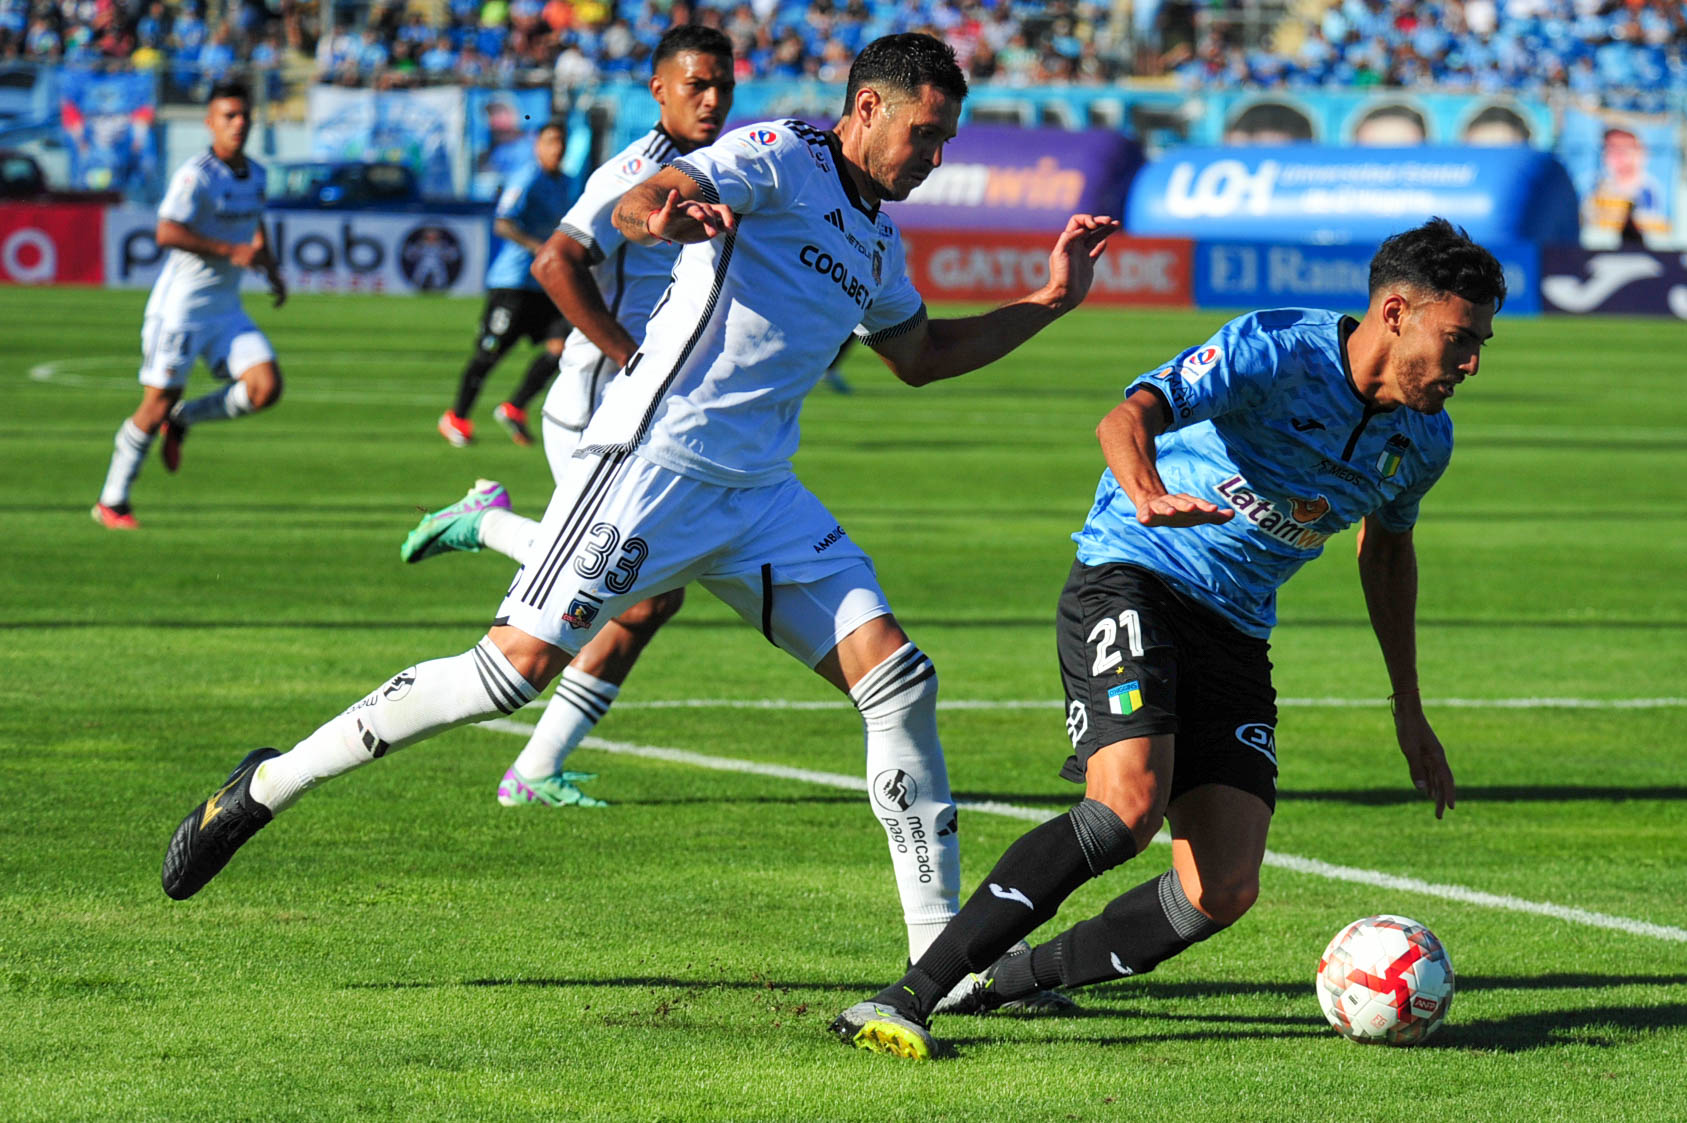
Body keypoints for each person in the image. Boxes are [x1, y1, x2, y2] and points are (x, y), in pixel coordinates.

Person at [161, 33, 1118, 976]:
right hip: (651, 467)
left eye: (946, 139)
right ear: (868, 108)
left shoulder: (875, 237)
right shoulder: (783, 155)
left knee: (899, 682)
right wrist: (658, 217)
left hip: (760, 496)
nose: (935, 157)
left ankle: (939, 959)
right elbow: (653, 194)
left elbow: (919, 358)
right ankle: (265, 785)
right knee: (509, 672)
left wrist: (1049, 301)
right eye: (926, 133)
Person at [831, 216, 1502, 1060]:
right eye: (1459, 339)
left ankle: (1002, 980)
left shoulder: (1421, 439)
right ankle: (900, 998)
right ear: (1397, 312)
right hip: (1134, 572)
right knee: (1125, 806)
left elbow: (1388, 548)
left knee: (1220, 888)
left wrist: (1408, 707)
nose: (1471, 363)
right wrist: (1145, 492)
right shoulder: (1274, 351)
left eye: (1479, 343)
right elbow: (1126, 416)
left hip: (1234, 626)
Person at [399, 24, 737, 810]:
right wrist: (628, 355)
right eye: (697, 85)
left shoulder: (709, 170)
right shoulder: (636, 171)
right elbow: (553, 260)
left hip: (643, 407)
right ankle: (483, 523)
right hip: (598, 404)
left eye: (722, 83)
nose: (713, 98)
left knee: (651, 595)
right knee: (625, 586)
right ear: (659, 90)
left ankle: (536, 769)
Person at [93, 79, 285, 530]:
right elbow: (166, 232)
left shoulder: (255, 174)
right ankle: (112, 500)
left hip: (226, 308)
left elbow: (255, 225)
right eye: (228, 117)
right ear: (210, 123)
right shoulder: (194, 174)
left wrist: (271, 269)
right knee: (156, 401)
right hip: (179, 308)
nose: (238, 124)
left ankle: (183, 420)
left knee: (265, 388)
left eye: (244, 116)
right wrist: (228, 250)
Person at [438, 117, 573, 448]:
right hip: (512, 283)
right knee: (490, 353)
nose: (558, 149)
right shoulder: (527, 177)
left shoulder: (567, 182)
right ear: (537, 146)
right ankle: (457, 416)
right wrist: (538, 247)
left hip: (544, 284)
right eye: (551, 142)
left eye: (561, 142)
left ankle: (515, 407)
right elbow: (503, 223)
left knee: (563, 347)